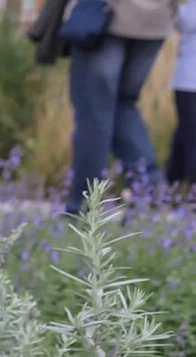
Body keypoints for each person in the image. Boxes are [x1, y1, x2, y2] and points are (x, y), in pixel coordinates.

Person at [65, 0, 181, 214]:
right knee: (124, 104)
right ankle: (149, 189)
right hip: (154, 24)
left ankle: (83, 208)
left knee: (94, 113)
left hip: (104, 16)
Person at [169, 1, 196, 184]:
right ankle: (173, 181)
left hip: (189, 80)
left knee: (190, 135)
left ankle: (187, 190)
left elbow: (183, 22)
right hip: (188, 80)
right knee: (185, 134)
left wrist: (174, 5)